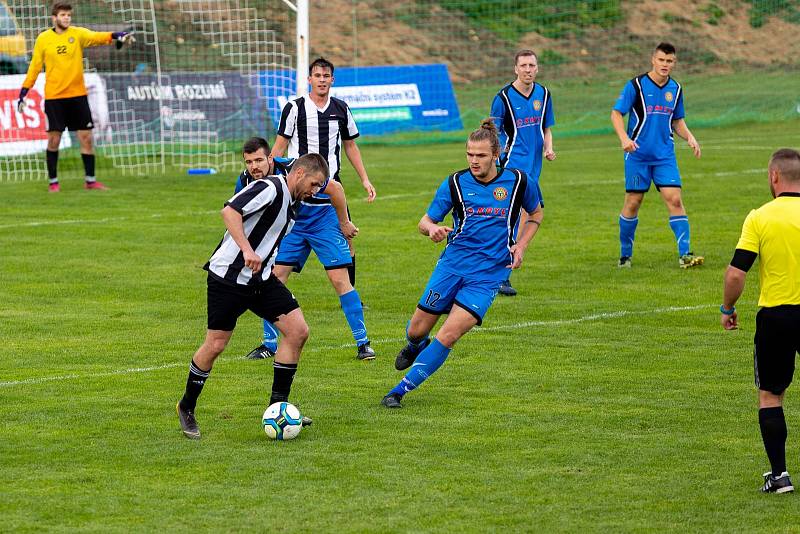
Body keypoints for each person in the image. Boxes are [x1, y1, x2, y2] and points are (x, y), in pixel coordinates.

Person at [381, 120, 542, 409]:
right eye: (469, 154)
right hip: (452, 266)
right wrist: (431, 230)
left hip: (489, 275)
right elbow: (425, 221)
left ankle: (398, 391)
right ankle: (416, 345)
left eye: (480, 155)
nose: (474, 161)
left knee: (449, 334)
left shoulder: (519, 181)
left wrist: (522, 245)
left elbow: (536, 214)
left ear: (497, 154)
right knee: (417, 330)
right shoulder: (455, 183)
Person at [175, 150, 330, 439]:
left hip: (260, 280)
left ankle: (278, 407)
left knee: (297, 331)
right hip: (227, 278)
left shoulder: (295, 204)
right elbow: (230, 211)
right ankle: (186, 406)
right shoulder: (270, 187)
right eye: (314, 184)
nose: (316, 190)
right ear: (299, 173)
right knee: (216, 344)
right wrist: (247, 250)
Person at [234, 138, 373, 361]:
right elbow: (241, 213)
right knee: (274, 278)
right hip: (294, 225)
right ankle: (269, 344)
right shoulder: (245, 180)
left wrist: (345, 223)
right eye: (249, 162)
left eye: (259, 160)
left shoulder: (295, 169)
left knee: (339, 279)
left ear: (271, 158)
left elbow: (335, 188)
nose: (254, 166)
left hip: (323, 220)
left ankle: (363, 344)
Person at [721, 148, 800, 493]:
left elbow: (737, 274)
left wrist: (727, 309)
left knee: (771, 395)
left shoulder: (760, 217)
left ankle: (780, 476)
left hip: (777, 317)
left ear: (774, 177)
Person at [271, 57, 376, 292]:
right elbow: (279, 146)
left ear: (332, 80)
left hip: (331, 187)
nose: (322, 80)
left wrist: (364, 179)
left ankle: (351, 294)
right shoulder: (294, 108)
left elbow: (350, 146)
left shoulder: (341, 108)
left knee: (347, 238)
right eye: (317, 76)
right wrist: (270, 177)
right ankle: (270, 291)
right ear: (309, 79)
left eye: (326, 76)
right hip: (298, 187)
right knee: (282, 236)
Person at [17, 2, 134, 192]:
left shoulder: (77, 34)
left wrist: (116, 35)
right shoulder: (43, 39)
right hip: (55, 98)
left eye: (69, 15)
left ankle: (90, 181)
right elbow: (35, 68)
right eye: (63, 15)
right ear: (54, 18)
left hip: (78, 96)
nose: (67, 18)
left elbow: (97, 37)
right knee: (54, 140)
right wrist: (23, 92)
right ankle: (53, 182)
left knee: (86, 138)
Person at [611, 42, 703, 269]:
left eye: (669, 61)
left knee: (675, 199)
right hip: (637, 156)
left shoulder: (676, 89)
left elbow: (677, 120)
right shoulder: (636, 85)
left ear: (674, 63)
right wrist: (624, 139)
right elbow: (616, 113)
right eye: (661, 60)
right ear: (653, 59)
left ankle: (685, 255)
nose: (665, 64)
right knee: (633, 202)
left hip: (664, 156)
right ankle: (625, 256)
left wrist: (690, 137)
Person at [490, 49, 554, 296]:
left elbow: (545, 128)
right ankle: (502, 275)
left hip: (534, 167)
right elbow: (492, 134)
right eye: (524, 65)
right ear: (515, 69)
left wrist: (549, 147)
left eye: (532, 65)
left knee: (529, 215)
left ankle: (506, 266)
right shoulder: (503, 98)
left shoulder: (544, 94)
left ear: (537, 68)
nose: (528, 69)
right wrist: (496, 161)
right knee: (512, 218)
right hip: (512, 166)